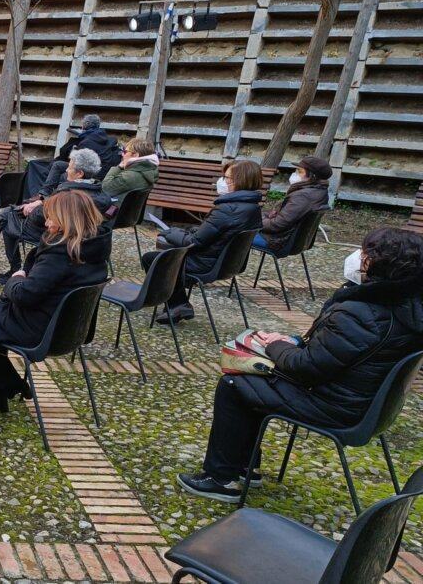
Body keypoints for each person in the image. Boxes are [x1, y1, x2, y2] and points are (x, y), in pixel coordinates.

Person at [177, 227, 423, 503]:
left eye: (365, 253)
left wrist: (273, 345)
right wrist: (294, 340)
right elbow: (346, 352)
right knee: (258, 384)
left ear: (377, 264)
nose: (358, 257)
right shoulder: (409, 307)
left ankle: (220, 478)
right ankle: (245, 467)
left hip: (334, 406)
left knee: (235, 383)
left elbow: (305, 367)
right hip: (361, 401)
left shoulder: (361, 313)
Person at [0, 190, 112, 412]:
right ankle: (4, 387)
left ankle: (7, 384)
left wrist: (14, 280)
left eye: (51, 217)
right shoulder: (95, 246)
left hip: (41, 329)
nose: (46, 222)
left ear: (66, 220)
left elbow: (26, 295)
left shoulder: (60, 253)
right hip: (68, 328)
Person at [145, 159, 264, 325]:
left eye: (227, 178)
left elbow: (195, 242)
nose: (222, 182)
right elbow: (213, 233)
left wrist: (171, 232)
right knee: (167, 254)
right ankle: (176, 303)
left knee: (153, 258)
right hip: (227, 263)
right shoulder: (252, 207)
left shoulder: (228, 209)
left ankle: (176, 303)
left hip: (206, 264)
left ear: (240, 181)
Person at [0, 148, 113, 283]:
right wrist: (43, 200)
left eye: (70, 168)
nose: (66, 170)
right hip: (82, 237)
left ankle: (15, 270)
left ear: (79, 173)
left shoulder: (68, 195)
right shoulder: (102, 194)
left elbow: (40, 217)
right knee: (11, 212)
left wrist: (36, 206)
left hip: (55, 234)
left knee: (7, 218)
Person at [23, 114, 121, 198]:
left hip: (90, 172)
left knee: (55, 165)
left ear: (84, 126)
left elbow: (74, 161)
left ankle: (43, 194)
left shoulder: (86, 142)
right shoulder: (106, 138)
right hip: (99, 171)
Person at [256, 155, 331, 254]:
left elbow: (277, 224)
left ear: (312, 176)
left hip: (278, 242)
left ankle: (234, 268)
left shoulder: (303, 196)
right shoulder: (320, 192)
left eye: (300, 172)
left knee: (234, 234)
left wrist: (254, 222)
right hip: (295, 242)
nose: (295, 174)